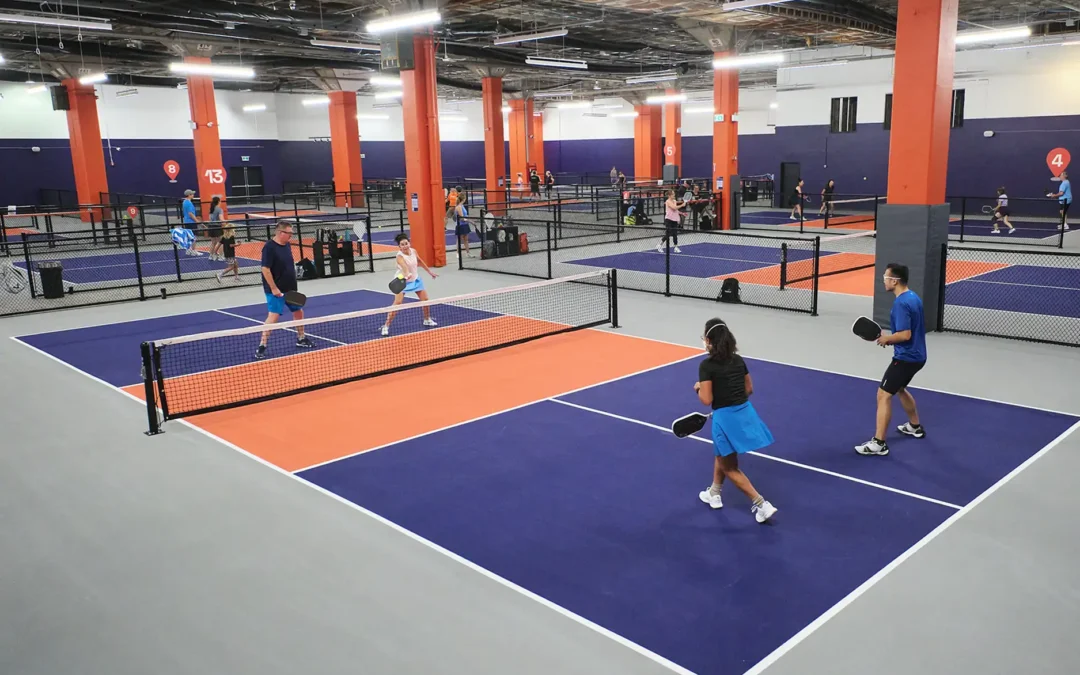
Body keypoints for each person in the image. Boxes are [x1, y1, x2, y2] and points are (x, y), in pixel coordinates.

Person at [695, 318, 778, 523]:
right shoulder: (738, 360)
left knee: (729, 466)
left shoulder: (706, 365)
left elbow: (706, 399)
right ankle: (714, 493)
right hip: (745, 412)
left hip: (725, 419)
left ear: (709, 340)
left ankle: (761, 505)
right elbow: (749, 389)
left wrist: (698, 388)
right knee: (721, 453)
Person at [855, 263, 927, 456]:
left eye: (886, 278)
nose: (884, 281)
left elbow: (905, 335)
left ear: (894, 281)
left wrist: (887, 339)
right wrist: (891, 338)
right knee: (899, 388)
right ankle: (914, 426)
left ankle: (879, 443)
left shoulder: (901, 304)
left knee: (883, 395)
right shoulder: (913, 297)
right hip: (918, 356)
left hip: (906, 358)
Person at [255, 221, 313, 359]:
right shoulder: (269, 247)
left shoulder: (287, 244)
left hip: (290, 288)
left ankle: (301, 338)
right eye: (289, 233)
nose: (291, 235)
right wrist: (274, 288)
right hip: (276, 290)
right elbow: (265, 269)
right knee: (273, 316)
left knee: (298, 311)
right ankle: (262, 346)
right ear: (281, 233)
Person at [381, 233, 438, 336]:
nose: (405, 246)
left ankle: (427, 319)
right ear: (399, 247)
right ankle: (386, 325)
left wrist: (430, 272)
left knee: (425, 300)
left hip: (415, 280)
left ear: (409, 243)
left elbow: (419, 261)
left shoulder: (413, 251)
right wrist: (407, 274)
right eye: (402, 245)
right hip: (402, 281)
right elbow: (404, 267)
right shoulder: (399, 256)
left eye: (406, 243)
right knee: (397, 303)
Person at [656, 188, 684, 254]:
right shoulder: (667, 201)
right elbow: (674, 208)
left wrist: (681, 213)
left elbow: (676, 210)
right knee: (668, 233)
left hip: (674, 219)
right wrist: (682, 205)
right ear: (669, 195)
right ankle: (659, 245)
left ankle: (676, 247)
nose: (674, 195)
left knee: (675, 234)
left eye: (674, 194)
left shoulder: (674, 201)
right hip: (668, 219)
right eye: (673, 194)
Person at [181, 189, 201, 257]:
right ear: (189, 195)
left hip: (187, 221)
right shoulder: (189, 203)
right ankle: (193, 250)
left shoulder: (184, 202)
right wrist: (196, 220)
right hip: (191, 222)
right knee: (194, 236)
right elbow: (190, 214)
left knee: (189, 236)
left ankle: (188, 250)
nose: (193, 195)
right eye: (192, 194)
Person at [207, 195, 225, 260]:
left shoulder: (211, 209)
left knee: (213, 242)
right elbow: (221, 219)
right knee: (221, 242)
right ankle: (221, 256)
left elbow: (209, 219)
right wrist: (225, 224)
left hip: (211, 227)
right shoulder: (219, 209)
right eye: (220, 201)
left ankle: (211, 256)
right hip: (217, 227)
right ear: (218, 201)